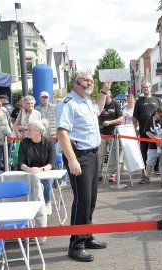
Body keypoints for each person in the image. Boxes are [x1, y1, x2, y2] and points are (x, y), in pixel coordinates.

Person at [56, 71, 111, 262]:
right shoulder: (68, 103)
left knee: (91, 199)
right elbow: (62, 133)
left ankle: (86, 236)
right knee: (82, 200)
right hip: (80, 156)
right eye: (86, 80)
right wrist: (72, 160)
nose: (90, 83)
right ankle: (76, 245)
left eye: (91, 81)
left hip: (92, 155)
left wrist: (104, 90)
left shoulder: (86, 101)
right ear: (76, 83)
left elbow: (99, 108)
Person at [18, 119, 56, 215]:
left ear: (38, 132)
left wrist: (41, 169)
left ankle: (47, 203)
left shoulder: (49, 143)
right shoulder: (24, 143)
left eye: (29, 130)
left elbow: (51, 164)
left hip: (45, 172)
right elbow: (20, 162)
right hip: (28, 172)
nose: (26, 132)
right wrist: (28, 169)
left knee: (45, 182)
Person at [97, 90, 123, 182]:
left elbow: (121, 119)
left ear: (110, 95)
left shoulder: (116, 104)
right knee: (100, 155)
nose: (104, 96)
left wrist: (110, 122)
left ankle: (113, 174)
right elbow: (96, 116)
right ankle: (99, 174)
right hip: (102, 134)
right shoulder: (100, 104)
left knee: (113, 155)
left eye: (106, 94)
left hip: (113, 134)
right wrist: (99, 124)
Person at [133, 82, 161, 165]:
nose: (145, 89)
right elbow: (135, 116)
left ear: (150, 88)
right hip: (143, 129)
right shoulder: (139, 101)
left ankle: (156, 167)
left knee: (156, 149)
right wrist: (135, 128)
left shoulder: (157, 100)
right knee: (143, 149)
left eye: (147, 87)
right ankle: (144, 167)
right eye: (144, 87)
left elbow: (161, 114)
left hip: (155, 130)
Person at [139, 107, 162, 184]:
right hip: (153, 144)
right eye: (160, 116)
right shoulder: (150, 119)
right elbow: (147, 131)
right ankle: (146, 176)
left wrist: (161, 140)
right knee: (150, 160)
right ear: (156, 113)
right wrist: (155, 139)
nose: (161, 117)